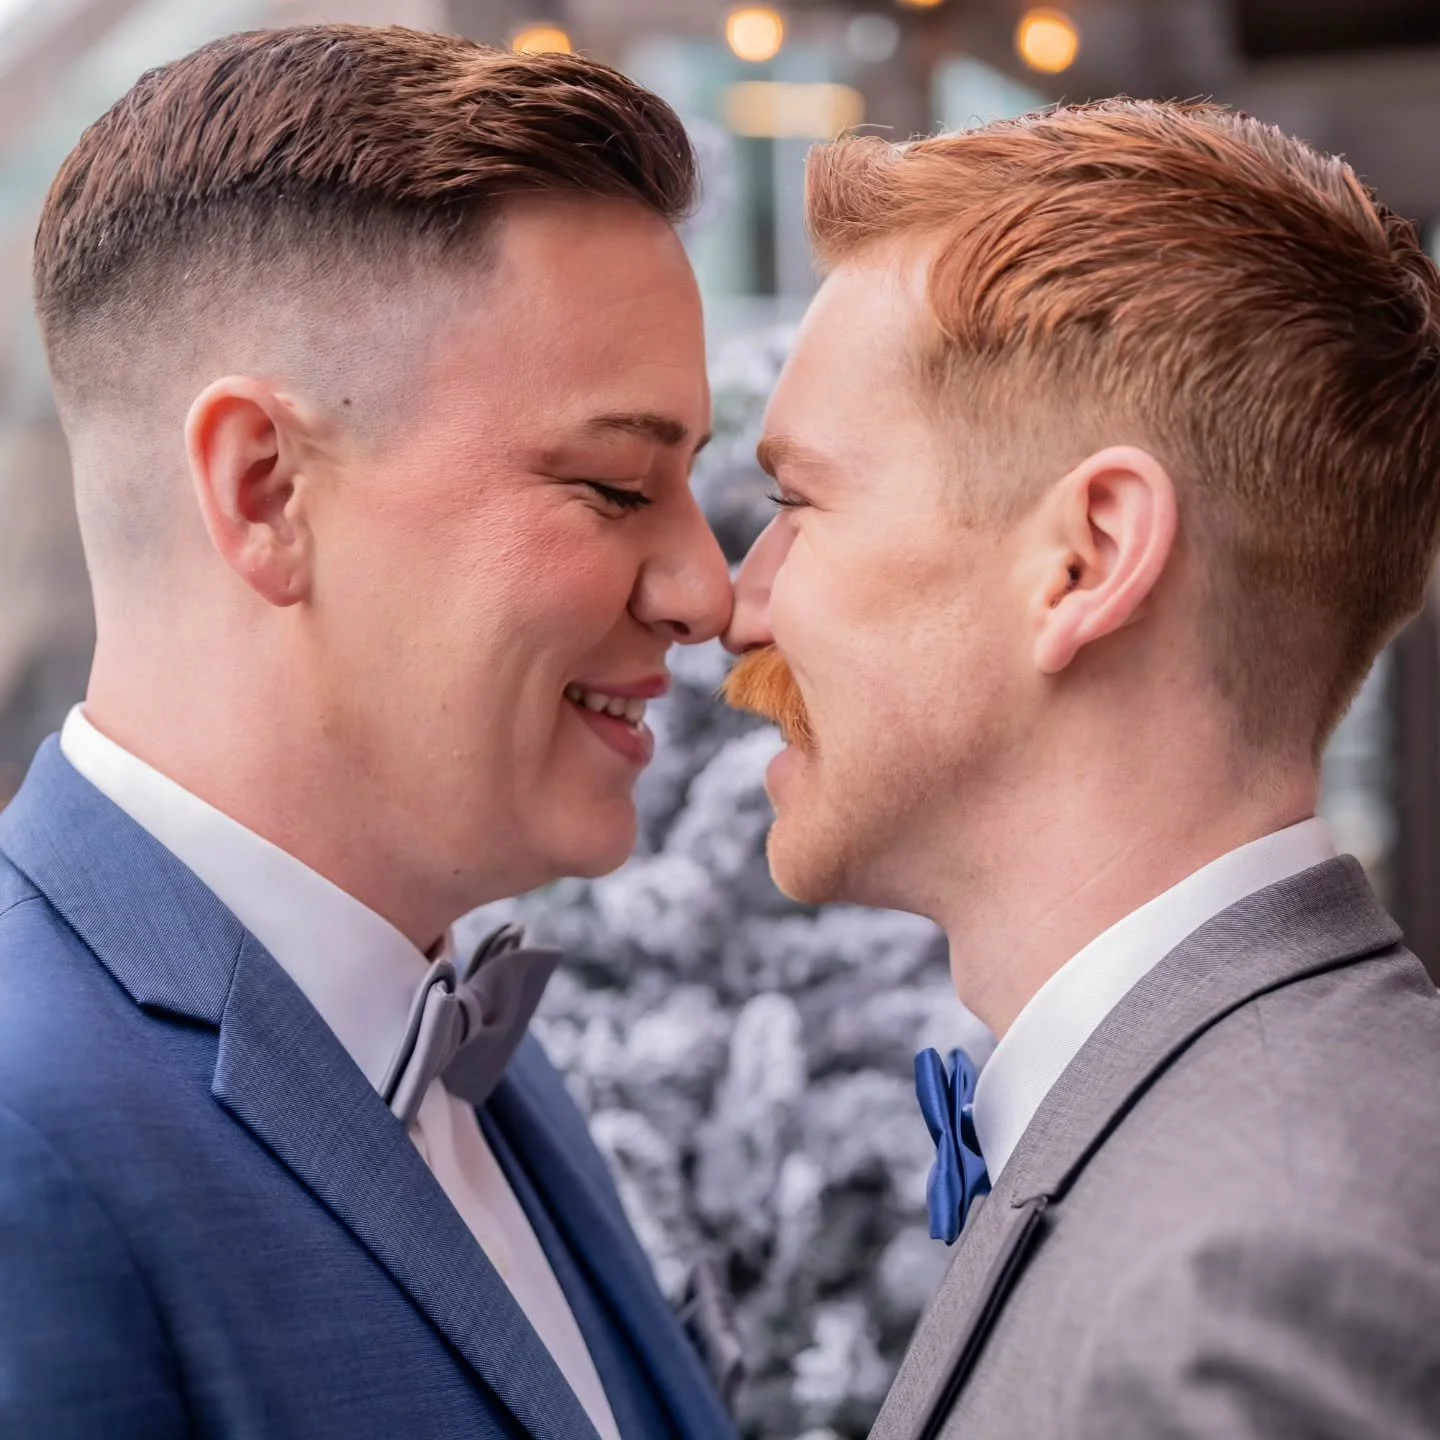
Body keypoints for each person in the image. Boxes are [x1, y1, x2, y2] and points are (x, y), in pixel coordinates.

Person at [0, 24, 739, 1440]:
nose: (706, 590)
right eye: (611, 483)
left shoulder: (469, 1047)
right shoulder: (28, 1144)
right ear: (267, 490)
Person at [724, 99, 1440, 1438]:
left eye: (796, 505)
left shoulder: (1247, 1283)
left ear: (1088, 559)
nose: (736, 605)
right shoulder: (1243, 1145)